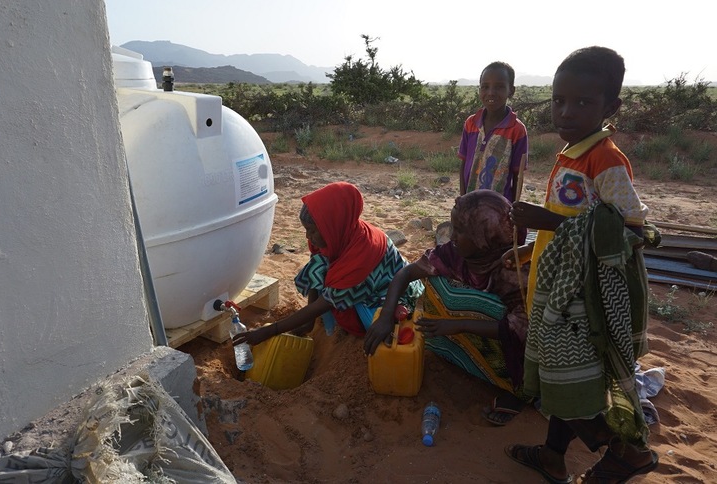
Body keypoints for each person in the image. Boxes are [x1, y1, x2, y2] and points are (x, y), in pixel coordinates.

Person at [504, 46, 659, 483]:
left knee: (562, 383)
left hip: (582, 300)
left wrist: (546, 220)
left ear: (611, 107)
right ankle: (553, 457)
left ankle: (626, 452)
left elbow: (631, 229)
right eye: (558, 100)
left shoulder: (605, 160)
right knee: (564, 380)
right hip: (559, 287)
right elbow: (578, 222)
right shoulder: (572, 152)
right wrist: (529, 246)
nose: (566, 112)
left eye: (583, 103)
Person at [364, 189, 530, 426]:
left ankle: (516, 391)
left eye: (460, 231)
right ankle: (454, 352)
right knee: (439, 283)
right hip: (459, 334)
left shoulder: (515, 271)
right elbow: (406, 273)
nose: (451, 237)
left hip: (515, 349)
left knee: (483, 307)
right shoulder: (455, 254)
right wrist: (386, 315)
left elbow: (525, 330)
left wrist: (459, 324)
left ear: (484, 237)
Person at [232, 181, 423, 347]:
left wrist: (269, 331)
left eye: (312, 231)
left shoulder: (361, 253)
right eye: (306, 230)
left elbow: (324, 304)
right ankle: (322, 325)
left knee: (374, 327)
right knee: (321, 267)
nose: (308, 237)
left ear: (331, 225)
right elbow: (317, 269)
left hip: (390, 293)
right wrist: (308, 322)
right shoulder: (340, 235)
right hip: (359, 285)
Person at [458, 61, 528, 201]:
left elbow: (517, 175)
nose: (491, 93)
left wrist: (511, 209)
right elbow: (463, 164)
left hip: (499, 209)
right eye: (485, 87)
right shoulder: (471, 124)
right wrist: (462, 198)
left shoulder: (517, 130)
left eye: (499, 87)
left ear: (511, 91)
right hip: (470, 203)